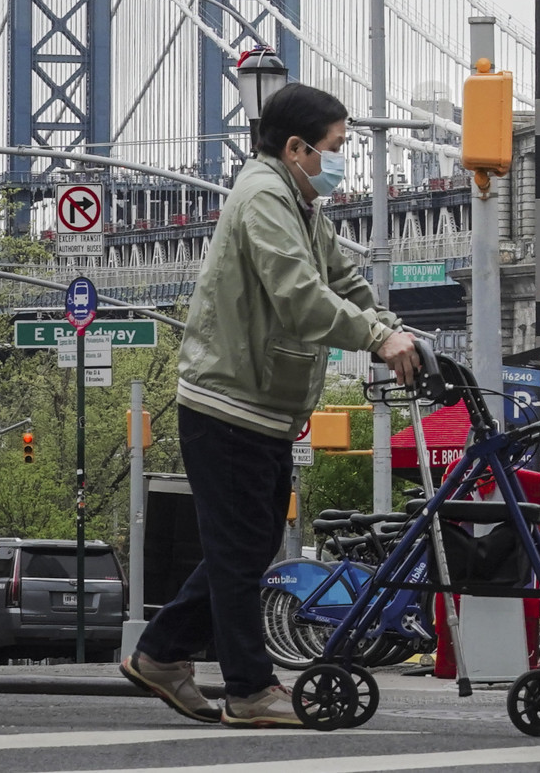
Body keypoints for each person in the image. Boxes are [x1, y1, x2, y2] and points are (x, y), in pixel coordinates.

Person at [121, 82, 423, 728]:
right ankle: (250, 688)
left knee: (251, 544)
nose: (341, 161)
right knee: (240, 551)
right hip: (228, 402)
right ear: (296, 147)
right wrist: (375, 337)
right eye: (336, 147)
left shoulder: (301, 202)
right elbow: (299, 296)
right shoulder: (263, 198)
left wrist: (394, 327)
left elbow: (340, 279)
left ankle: (161, 652)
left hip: (260, 404)